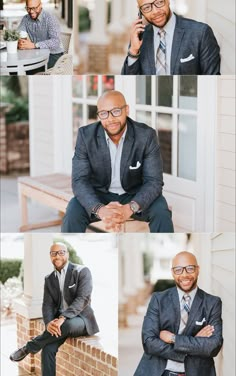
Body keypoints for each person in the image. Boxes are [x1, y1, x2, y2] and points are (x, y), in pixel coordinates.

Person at [62, 90, 174, 233]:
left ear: (126, 110)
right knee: (73, 211)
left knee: (161, 212)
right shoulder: (86, 135)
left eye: (116, 111)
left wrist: (130, 208)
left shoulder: (146, 136)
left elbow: (154, 182)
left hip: (135, 194)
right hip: (99, 194)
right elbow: (79, 181)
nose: (110, 119)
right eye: (104, 113)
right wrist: (100, 210)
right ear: (98, 115)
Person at [10, 242, 99, 376]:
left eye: (61, 252)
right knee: (47, 348)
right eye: (53, 253)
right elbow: (47, 305)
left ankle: (28, 348)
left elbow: (83, 299)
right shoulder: (49, 278)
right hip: (59, 325)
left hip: (81, 320)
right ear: (50, 256)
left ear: (67, 254)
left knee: (67, 324)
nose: (57, 256)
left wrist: (62, 318)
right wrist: (49, 323)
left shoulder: (81, 271)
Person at [134, 251, 223, 376]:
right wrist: (194, 343)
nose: (185, 274)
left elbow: (213, 346)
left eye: (190, 269)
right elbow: (149, 342)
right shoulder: (158, 300)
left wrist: (173, 338)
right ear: (172, 273)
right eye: (178, 270)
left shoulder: (212, 303)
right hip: (158, 372)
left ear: (198, 270)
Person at [121, 0, 220, 75]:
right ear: (140, 11)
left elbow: (212, 78)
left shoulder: (201, 33)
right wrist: (133, 51)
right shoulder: (138, 37)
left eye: (159, 2)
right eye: (146, 7)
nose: (155, 11)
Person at [17, 0, 64, 69]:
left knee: (32, 69)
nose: (31, 11)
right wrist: (20, 41)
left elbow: (56, 42)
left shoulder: (50, 18)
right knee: (18, 66)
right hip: (37, 54)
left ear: (40, 5)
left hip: (53, 55)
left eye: (34, 8)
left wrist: (34, 45)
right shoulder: (26, 19)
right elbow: (18, 33)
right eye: (28, 8)